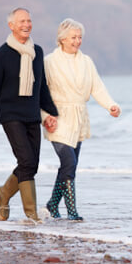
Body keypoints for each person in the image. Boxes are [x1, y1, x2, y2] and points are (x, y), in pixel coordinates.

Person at [0, 7, 59, 222]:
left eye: (29, 21)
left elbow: (41, 87)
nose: (26, 25)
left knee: (31, 164)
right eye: (22, 21)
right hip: (10, 115)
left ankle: (4, 193)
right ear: (11, 26)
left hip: (32, 114)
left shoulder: (38, 52)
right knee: (26, 159)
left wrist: (53, 113)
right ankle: (31, 214)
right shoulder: (1, 55)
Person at [41, 18, 121, 221]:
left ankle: (52, 205)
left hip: (79, 118)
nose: (77, 41)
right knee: (69, 161)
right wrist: (44, 117)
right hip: (57, 118)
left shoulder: (86, 62)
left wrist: (110, 105)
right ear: (62, 39)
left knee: (70, 165)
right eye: (73, 37)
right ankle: (72, 211)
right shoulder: (49, 61)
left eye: (80, 37)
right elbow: (41, 92)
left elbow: (97, 87)